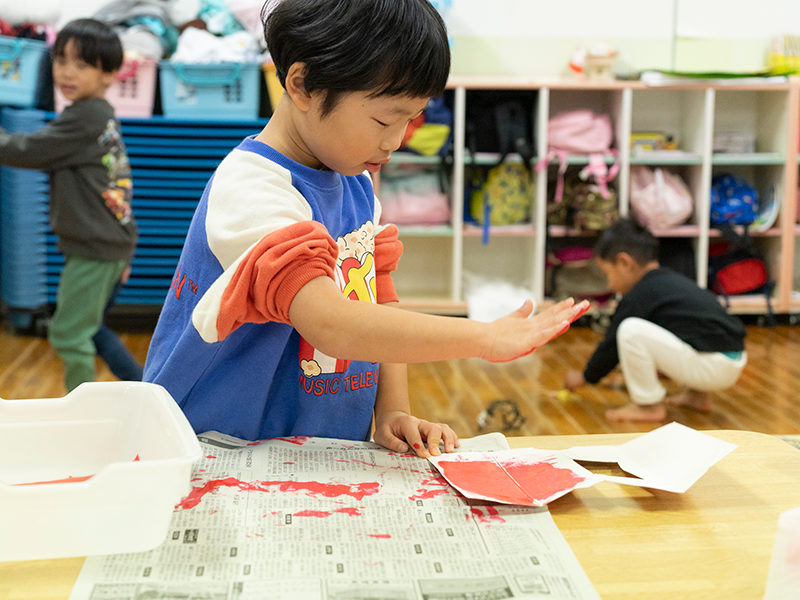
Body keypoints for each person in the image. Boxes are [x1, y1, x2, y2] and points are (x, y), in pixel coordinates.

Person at [143, 0, 589, 457]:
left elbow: (375, 295)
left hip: (318, 449)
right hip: (217, 447)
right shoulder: (252, 188)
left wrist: (394, 410)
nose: (395, 141)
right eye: (384, 119)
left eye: (410, 120)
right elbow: (330, 322)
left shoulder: (354, 180)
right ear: (303, 85)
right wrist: (483, 338)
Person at [0, 19, 141, 391]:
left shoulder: (86, 117)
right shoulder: (99, 114)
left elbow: (27, 151)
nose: (67, 72)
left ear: (109, 73)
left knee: (68, 333)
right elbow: (119, 183)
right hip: (109, 244)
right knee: (91, 330)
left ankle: (82, 406)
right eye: (61, 60)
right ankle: (149, 390)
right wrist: (124, 250)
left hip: (96, 250)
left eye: (82, 64)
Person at [564, 218, 747, 422]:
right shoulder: (670, 280)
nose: (609, 283)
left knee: (629, 330)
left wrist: (585, 377)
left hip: (714, 367)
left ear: (624, 263)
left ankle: (648, 406)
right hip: (733, 358)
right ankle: (697, 396)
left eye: (607, 273)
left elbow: (611, 346)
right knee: (684, 329)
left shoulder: (639, 295)